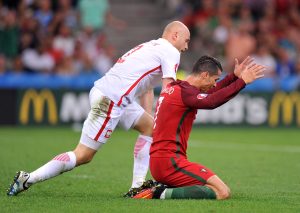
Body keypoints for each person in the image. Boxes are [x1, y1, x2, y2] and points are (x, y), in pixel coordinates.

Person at [6, 21, 191, 196]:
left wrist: (152, 116)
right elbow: (169, 88)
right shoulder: (171, 51)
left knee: (150, 128)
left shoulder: (152, 46)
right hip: (112, 99)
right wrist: (174, 115)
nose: (187, 47)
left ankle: (137, 186)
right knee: (83, 155)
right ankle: (28, 179)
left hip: (107, 93)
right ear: (175, 35)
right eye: (186, 40)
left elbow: (148, 88)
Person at [132, 55, 265, 199]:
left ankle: (160, 188)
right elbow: (212, 101)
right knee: (222, 192)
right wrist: (242, 82)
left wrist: (234, 77)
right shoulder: (186, 93)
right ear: (205, 75)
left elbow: (211, 93)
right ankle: (156, 193)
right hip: (170, 163)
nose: (215, 84)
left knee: (212, 189)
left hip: (161, 161)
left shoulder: (176, 87)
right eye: (215, 80)